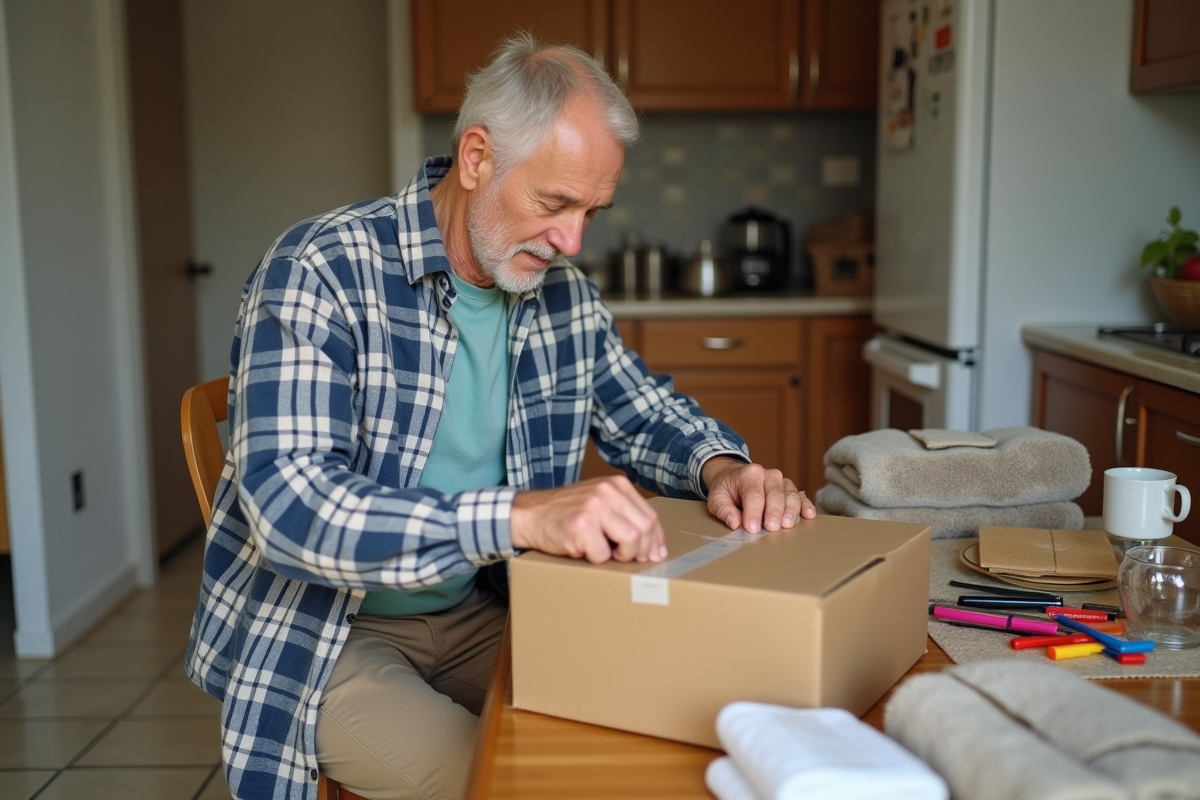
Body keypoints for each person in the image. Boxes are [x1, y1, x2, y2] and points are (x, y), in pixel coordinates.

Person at [185, 32, 816, 800]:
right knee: (517, 782)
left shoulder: (563, 296)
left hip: (482, 607)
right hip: (324, 634)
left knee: (640, 739)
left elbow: (645, 414)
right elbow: (291, 508)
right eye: (554, 203)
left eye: (592, 210)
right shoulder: (320, 269)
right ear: (476, 157)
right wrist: (521, 517)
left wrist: (726, 468)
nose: (572, 240)